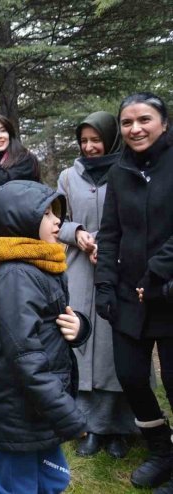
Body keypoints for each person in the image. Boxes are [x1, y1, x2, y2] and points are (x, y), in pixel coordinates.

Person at [0, 180, 90, 494]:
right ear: (21, 221)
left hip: (41, 406)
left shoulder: (43, 266)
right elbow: (25, 355)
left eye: (57, 213)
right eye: (46, 214)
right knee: (19, 484)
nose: (58, 221)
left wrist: (79, 327)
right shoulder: (16, 276)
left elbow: (55, 322)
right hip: (20, 409)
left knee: (53, 479)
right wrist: (66, 412)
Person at [95, 92, 173, 491]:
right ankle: (162, 448)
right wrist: (105, 285)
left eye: (144, 119)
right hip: (128, 295)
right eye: (127, 123)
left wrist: (157, 271)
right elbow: (110, 235)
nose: (135, 129)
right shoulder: (120, 170)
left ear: (163, 122)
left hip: (168, 292)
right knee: (131, 376)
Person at [57, 111, 136, 459]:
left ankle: (120, 427)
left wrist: (108, 247)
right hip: (78, 269)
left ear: (111, 138)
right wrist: (76, 234)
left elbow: (137, 218)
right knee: (81, 345)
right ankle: (87, 426)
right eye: (83, 141)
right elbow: (55, 219)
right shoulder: (67, 176)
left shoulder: (128, 170)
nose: (89, 147)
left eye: (96, 139)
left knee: (115, 346)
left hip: (120, 269)